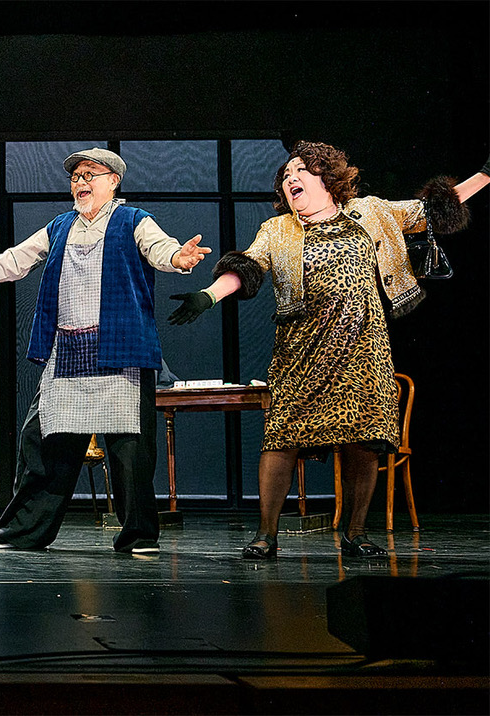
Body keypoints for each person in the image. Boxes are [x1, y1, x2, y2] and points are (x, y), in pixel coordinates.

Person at [168, 141, 489, 559]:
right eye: (286, 175)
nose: (291, 178)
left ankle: (356, 533)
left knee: (365, 438)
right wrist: (208, 296)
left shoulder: (371, 211)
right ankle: (267, 534)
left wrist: (485, 174)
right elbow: (247, 267)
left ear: (327, 177)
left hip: (364, 349)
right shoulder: (277, 230)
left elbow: (433, 208)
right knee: (281, 438)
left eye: (301, 170)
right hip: (303, 350)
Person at [0, 148, 210, 554]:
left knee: (130, 450)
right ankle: (23, 532)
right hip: (68, 349)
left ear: (113, 181)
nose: (81, 182)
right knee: (42, 441)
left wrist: (180, 258)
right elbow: (15, 261)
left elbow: (162, 249)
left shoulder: (134, 220)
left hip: (120, 351)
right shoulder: (59, 227)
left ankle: (139, 535)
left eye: (91, 174)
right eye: (76, 177)